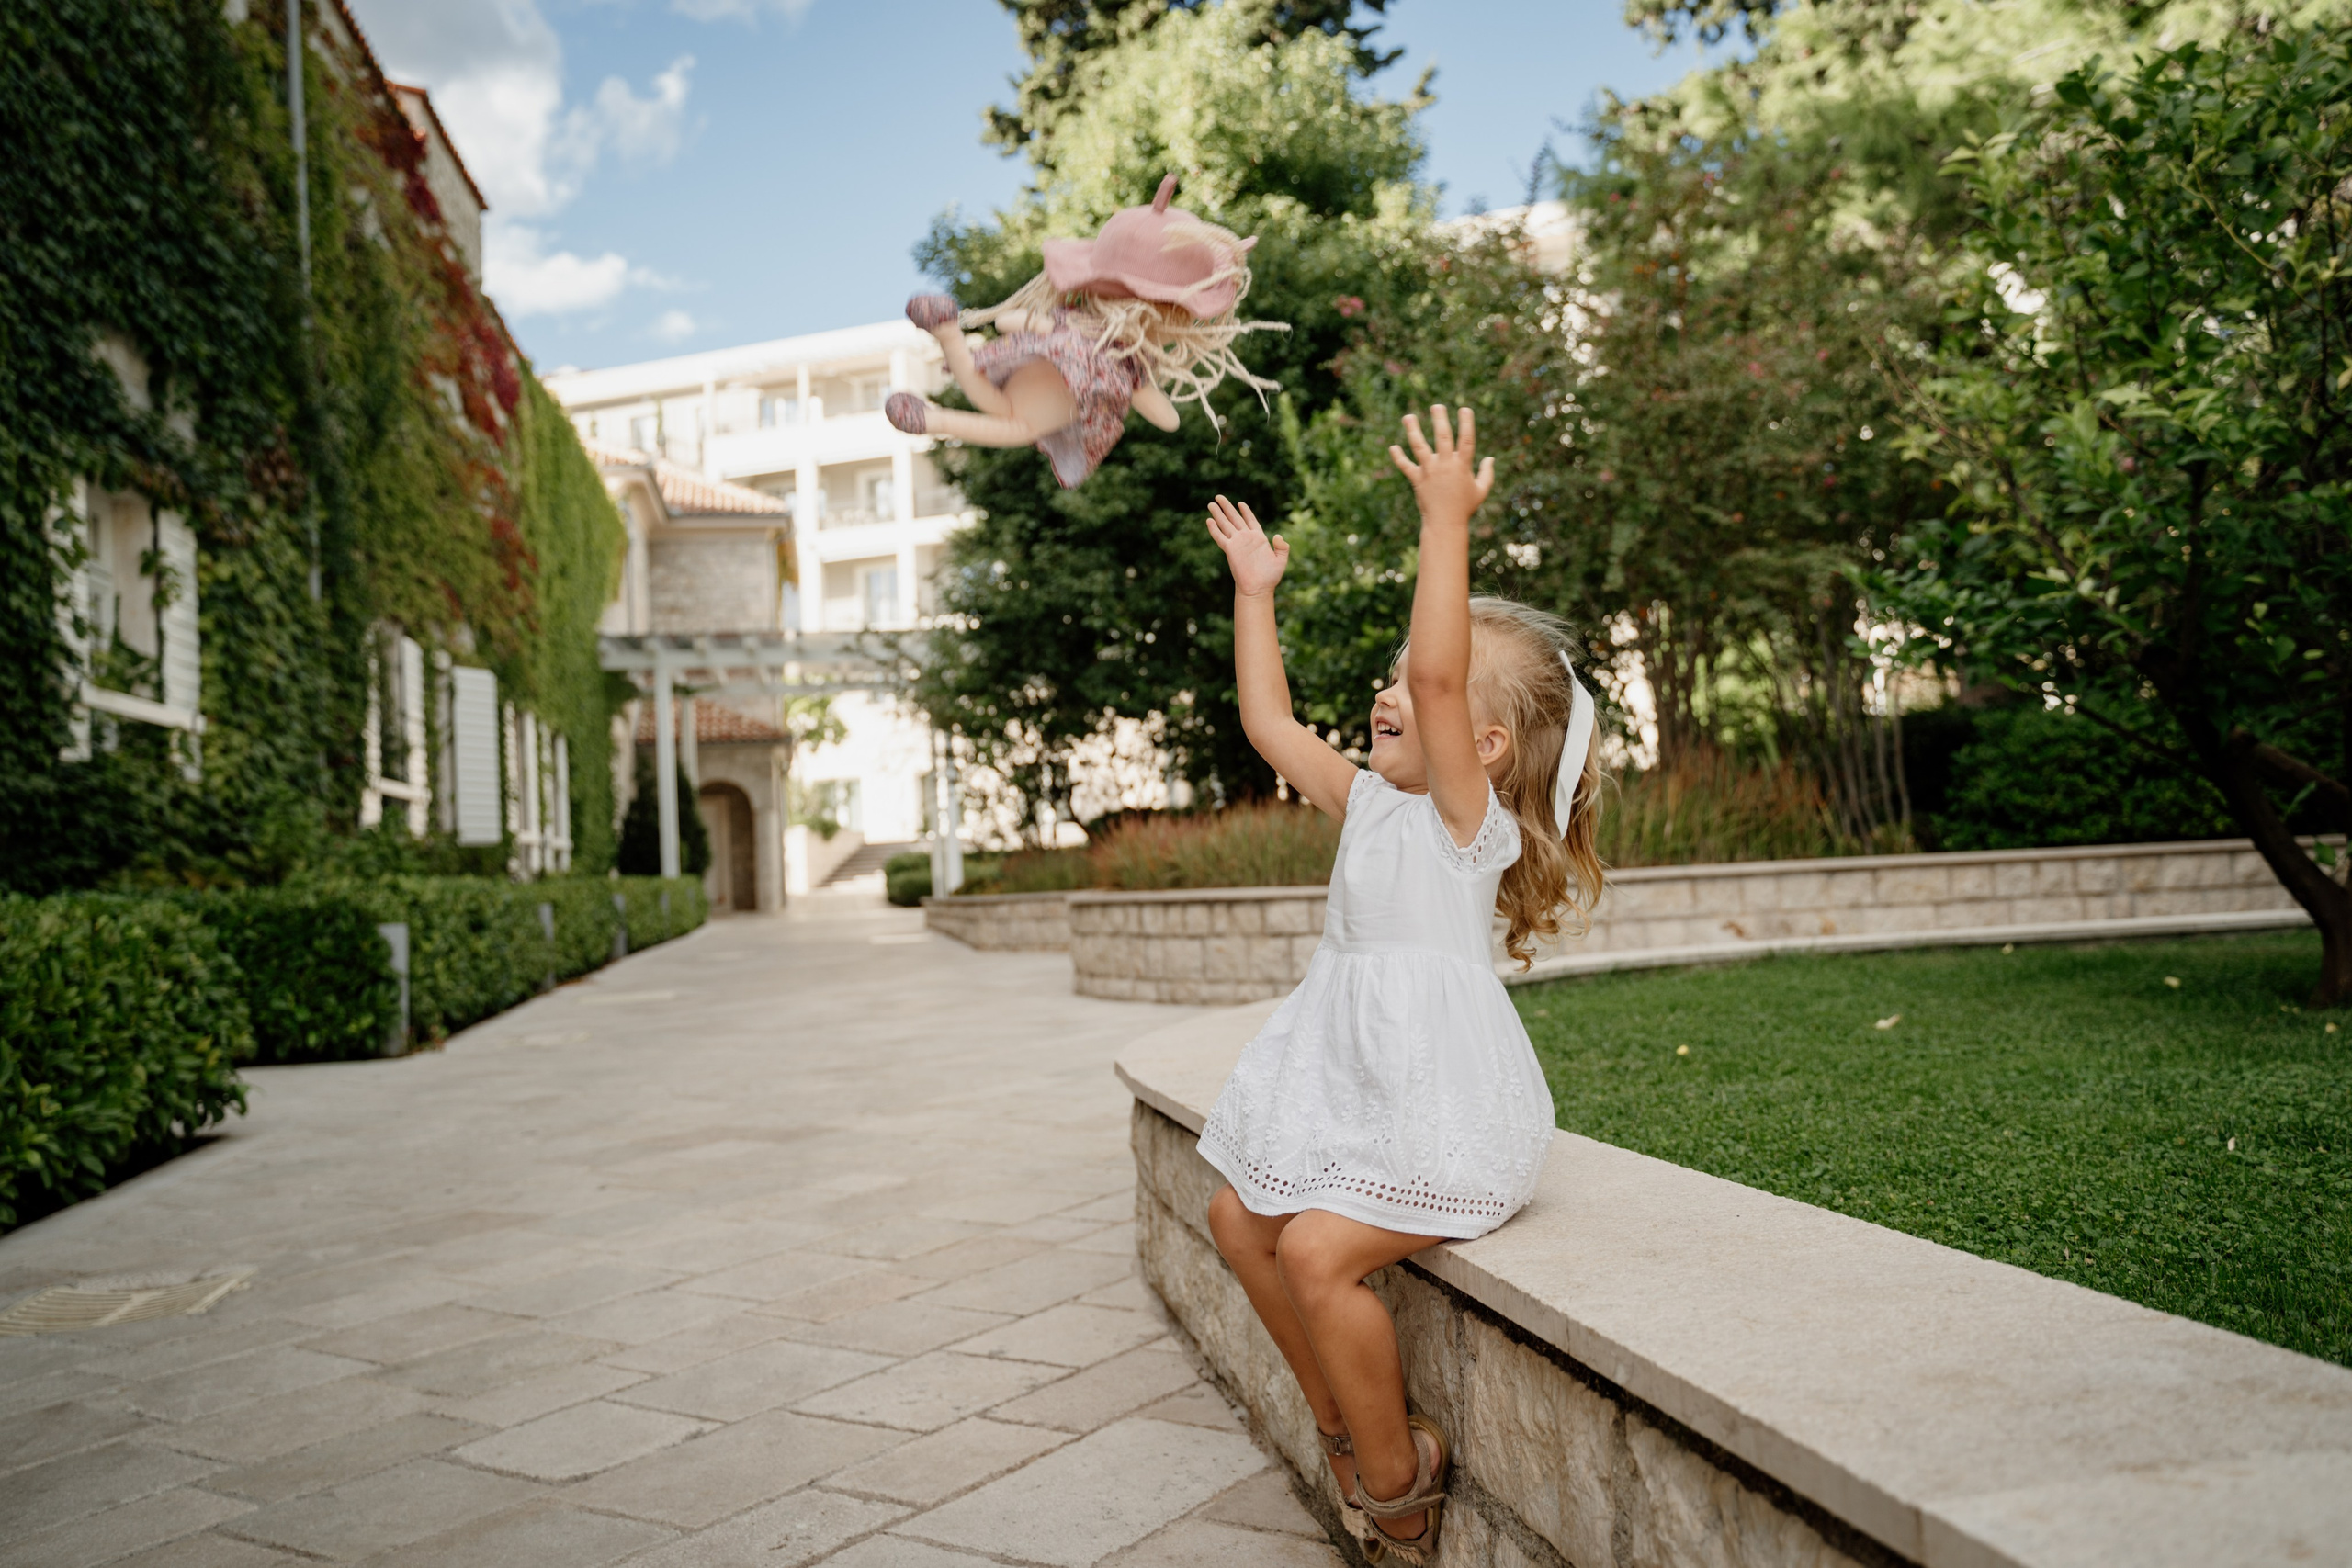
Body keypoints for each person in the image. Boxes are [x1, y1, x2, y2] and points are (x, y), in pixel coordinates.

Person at [1196, 405, 1605, 1563]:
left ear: (1481, 743)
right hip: (1352, 1089)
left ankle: (1397, 1482)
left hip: (1443, 1107)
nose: (1395, 689)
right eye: (1391, 678)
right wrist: (1256, 590)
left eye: (1423, 689)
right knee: (1236, 1216)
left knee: (1318, 1251)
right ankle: (1341, 1427)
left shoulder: (1466, 830)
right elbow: (1268, 721)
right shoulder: (1373, 801)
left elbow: (1437, 668)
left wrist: (1444, 523)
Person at [888, 175, 1283, 489]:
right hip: (1031, 404)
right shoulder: (1128, 366)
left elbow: (1009, 321)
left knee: (986, 393)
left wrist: (1031, 324)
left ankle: (948, 334)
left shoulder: (1070, 323)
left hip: (1019, 370)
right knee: (1015, 427)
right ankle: (936, 417)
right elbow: (1167, 419)